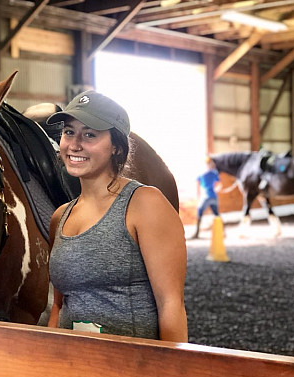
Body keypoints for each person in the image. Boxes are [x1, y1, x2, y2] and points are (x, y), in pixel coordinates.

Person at [45, 90, 188, 342]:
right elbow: (59, 304)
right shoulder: (61, 217)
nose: (75, 144)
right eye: (69, 132)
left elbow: (170, 304)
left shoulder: (144, 204)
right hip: (72, 366)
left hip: (132, 368)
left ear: (116, 147)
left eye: (89, 134)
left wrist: (170, 375)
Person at [192, 157, 222, 239]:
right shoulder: (214, 173)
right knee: (217, 214)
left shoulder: (201, 174)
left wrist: (198, 197)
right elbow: (219, 185)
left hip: (205, 197)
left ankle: (197, 233)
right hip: (213, 196)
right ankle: (223, 232)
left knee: (200, 214)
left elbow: (197, 188)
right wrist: (216, 189)